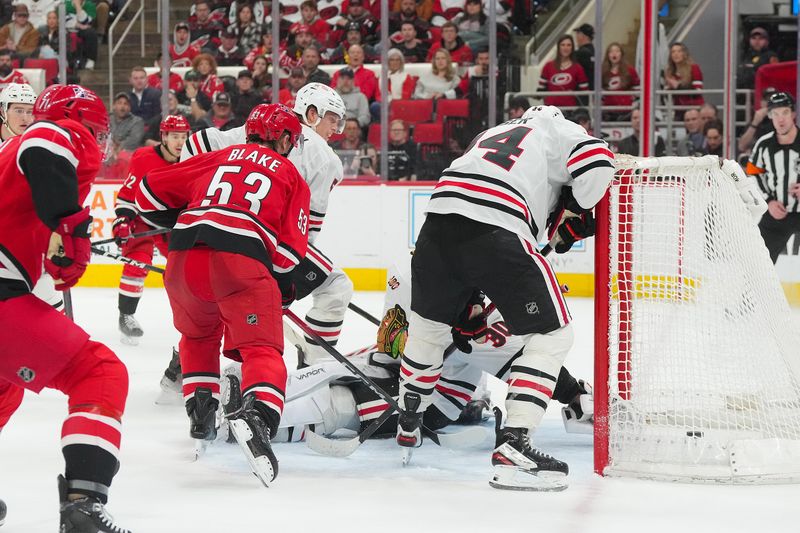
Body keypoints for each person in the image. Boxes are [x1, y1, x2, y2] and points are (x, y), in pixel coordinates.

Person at [394, 105, 614, 490]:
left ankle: (409, 416)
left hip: (436, 224)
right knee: (553, 334)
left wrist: (471, 297)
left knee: (429, 330)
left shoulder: (493, 133)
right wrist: (578, 208)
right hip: (497, 226)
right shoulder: (556, 128)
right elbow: (598, 161)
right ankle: (514, 443)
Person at [220, 259, 594, 443]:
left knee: (350, 401)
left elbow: (524, 366)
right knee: (349, 369)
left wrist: (574, 394)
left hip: (436, 398)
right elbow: (391, 348)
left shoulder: (491, 319)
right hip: (409, 366)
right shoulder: (413, 270)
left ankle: (258, 426)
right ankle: (257, 393)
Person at [135, 103, 310, 487]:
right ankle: (258, 417)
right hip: (238, 262)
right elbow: (288, 256)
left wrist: (180, 213)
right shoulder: (292, 175)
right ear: (283, 139)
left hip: (182, 259)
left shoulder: (218, 156)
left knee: (197, 335)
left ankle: (201, 411)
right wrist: (281, 287)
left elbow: (148, 192)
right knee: (261, 348)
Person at [0, 83, 131, 532]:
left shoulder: (13, 160)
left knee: (4, 391)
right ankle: (83, 505)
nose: (96, 140)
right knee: (99, 373)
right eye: (96, 130)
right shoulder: (54, 132)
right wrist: (72, 223)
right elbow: (44, 143)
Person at [177, 83, 352, 366]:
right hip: (267, 243)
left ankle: (178, 370)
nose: (336, 129)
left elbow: (199, 143)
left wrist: (195, 205)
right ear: (312, 113)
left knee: (224, 303)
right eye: (332, 119)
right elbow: (307, 233)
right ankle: (316, 367)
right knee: (336, 286)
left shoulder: (261, 128)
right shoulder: (324, 157)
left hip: (213, 231)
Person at [112, 115, 190, 344]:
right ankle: (126, 316)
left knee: (185, 270)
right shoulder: (144, 157)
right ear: (163, 136)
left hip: (171, 223)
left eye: (184, 137)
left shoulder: (191, 159)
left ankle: (193, 320)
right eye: (175, 136)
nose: (180, 142)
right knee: (137, 263)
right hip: (142, 219)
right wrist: (123, 221)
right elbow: (128, 194)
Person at [746, 92, 800, 263]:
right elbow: (753, 174)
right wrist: (769, 201)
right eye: (775, 114)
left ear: (793, 114)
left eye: (784, 112)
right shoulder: (763, 144)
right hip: (777, 212)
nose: (780, 119)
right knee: (759, 262)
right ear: (770, 116)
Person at [537, 34, 588, 108]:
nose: (565, 48)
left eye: (568, 45)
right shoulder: (548, 66)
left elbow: (584, 92)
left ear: (572, 47)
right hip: (551, 109)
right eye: (563, 45)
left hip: (570, 109)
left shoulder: (578, 68)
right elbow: (540, 90)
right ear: (558, 47)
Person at [662, 42, 704, 116]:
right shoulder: (669, 71)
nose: (676, 54)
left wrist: (678, 86)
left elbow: (698, 91)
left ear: (684, 54)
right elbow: (667, 96)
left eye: (679, 51)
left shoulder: (694, 68)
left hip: (694, 109)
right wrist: (668, 89)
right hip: (678, 110)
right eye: (673, 52)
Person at [600, 42, 639, 120]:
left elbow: (638, 89)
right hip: (608, 112)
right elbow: (600, 93)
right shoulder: (602, 71)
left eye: (617, 51)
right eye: (611, 51)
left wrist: (632, 103)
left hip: (627, 111)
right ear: (608, 55)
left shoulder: (630, 70)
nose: (614, 54)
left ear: (621, 54)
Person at [738, 89, 776, 155]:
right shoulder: (756, 121)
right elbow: (741, 146)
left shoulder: (783, 121)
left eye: (773, 101)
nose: (769, 103)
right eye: (767, 100)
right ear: (761, 102)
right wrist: (755, 123)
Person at [573, 23, 594, 89]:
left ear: (585, 36)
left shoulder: (581, 53)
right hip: (591, 89)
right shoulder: (593, 50)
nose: (576, 36)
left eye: (578, 33)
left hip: (582, 91)